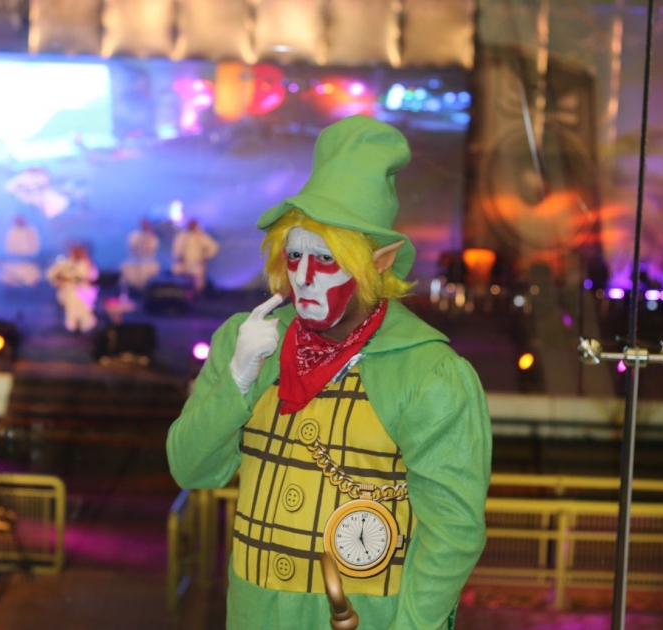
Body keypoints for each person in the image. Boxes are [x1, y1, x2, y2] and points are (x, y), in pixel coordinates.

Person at [166, 116, 491, 630]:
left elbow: (452, 533)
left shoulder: (430, 373)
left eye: (325, 257)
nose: (303, 276)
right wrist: (238, 377)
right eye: (294, 254)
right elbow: (192, 469)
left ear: (379, 262)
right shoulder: (246, 342)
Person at [45, 244, 99, 333]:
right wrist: (61, 281)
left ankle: (83, 323)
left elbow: (91, 278)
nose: (77, 254)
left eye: (79, 252)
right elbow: (52, 275)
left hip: (84, 292)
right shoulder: (66, 264)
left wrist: (80, 281)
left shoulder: (88, 264)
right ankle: (74, 323)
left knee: (78, 298)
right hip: (68, 292)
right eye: (75, 252)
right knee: (71, 296)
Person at [171, 218, 219, 292]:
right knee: (175, 270)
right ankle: (177, 292)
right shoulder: (182, 236)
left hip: (196, 264)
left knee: (198, 276)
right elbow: (176, 249)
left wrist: (205, 256)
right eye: (190, 224)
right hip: (183, 264)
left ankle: (197, 293)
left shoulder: (201, 236)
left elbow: (213, 247)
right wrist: (179, 258)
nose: (191, 226)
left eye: (193, 224)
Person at [120, 218, 161, 293]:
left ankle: (147, 290)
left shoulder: (153, 237)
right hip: (135, 260)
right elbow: (132, 247)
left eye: (146, 224)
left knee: (150, 268)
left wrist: (148, 240)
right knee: (126, 267)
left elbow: (151, 250)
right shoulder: (134, 235)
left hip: (148, 261)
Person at [1, 214, 42, 287]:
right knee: (8, 272)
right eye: (17, 220)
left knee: (31, 274)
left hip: (28, 258)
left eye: (20, 219)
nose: (19, 221)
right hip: (15, 259)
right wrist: (13, 255)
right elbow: (8, 246)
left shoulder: (31, 230)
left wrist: (31, 254)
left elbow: (35, 244)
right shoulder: (12, 231)